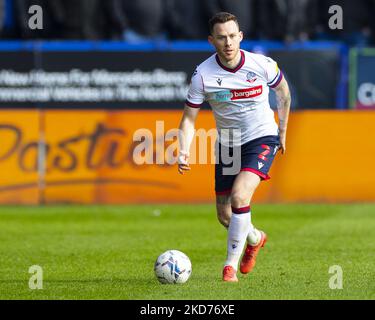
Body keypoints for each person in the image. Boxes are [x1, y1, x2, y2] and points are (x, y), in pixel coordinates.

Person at [178, 12, 291, 282]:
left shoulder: (262, 64)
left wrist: (283, 130)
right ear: (211, 40)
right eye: (221, 37)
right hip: (228, 144)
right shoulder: (203, 75)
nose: (228, 42)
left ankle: (229, 267)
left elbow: (284, 92)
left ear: (240, 36)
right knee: (225, 215)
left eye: (232, 36)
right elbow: (189, 118)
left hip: (262, 138)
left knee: (241, 197)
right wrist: (184, 150)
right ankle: (255, 238)